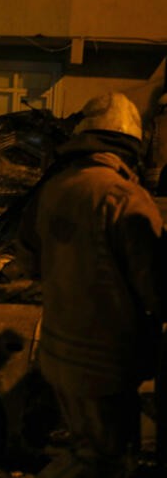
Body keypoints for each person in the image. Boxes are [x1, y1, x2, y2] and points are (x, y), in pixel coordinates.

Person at [18, 92, 164, 478]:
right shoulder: (125, 198)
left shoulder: (56, 188)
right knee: (107, 462)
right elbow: (157, 290)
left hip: (57, 352)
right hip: (106, 365)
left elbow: (30, 257)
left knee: (84, 450)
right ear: (132, 143)